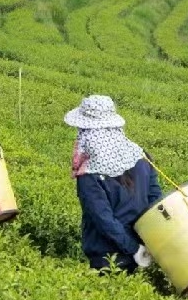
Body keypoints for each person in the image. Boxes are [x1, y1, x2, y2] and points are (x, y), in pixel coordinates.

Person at [65, 94, 159, 273]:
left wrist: (133, 249)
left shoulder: (89, 172)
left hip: (108, 259)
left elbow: (103, 219)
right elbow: (155, 201)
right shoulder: (141, 156)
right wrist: (142, 247)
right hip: (143, 251)